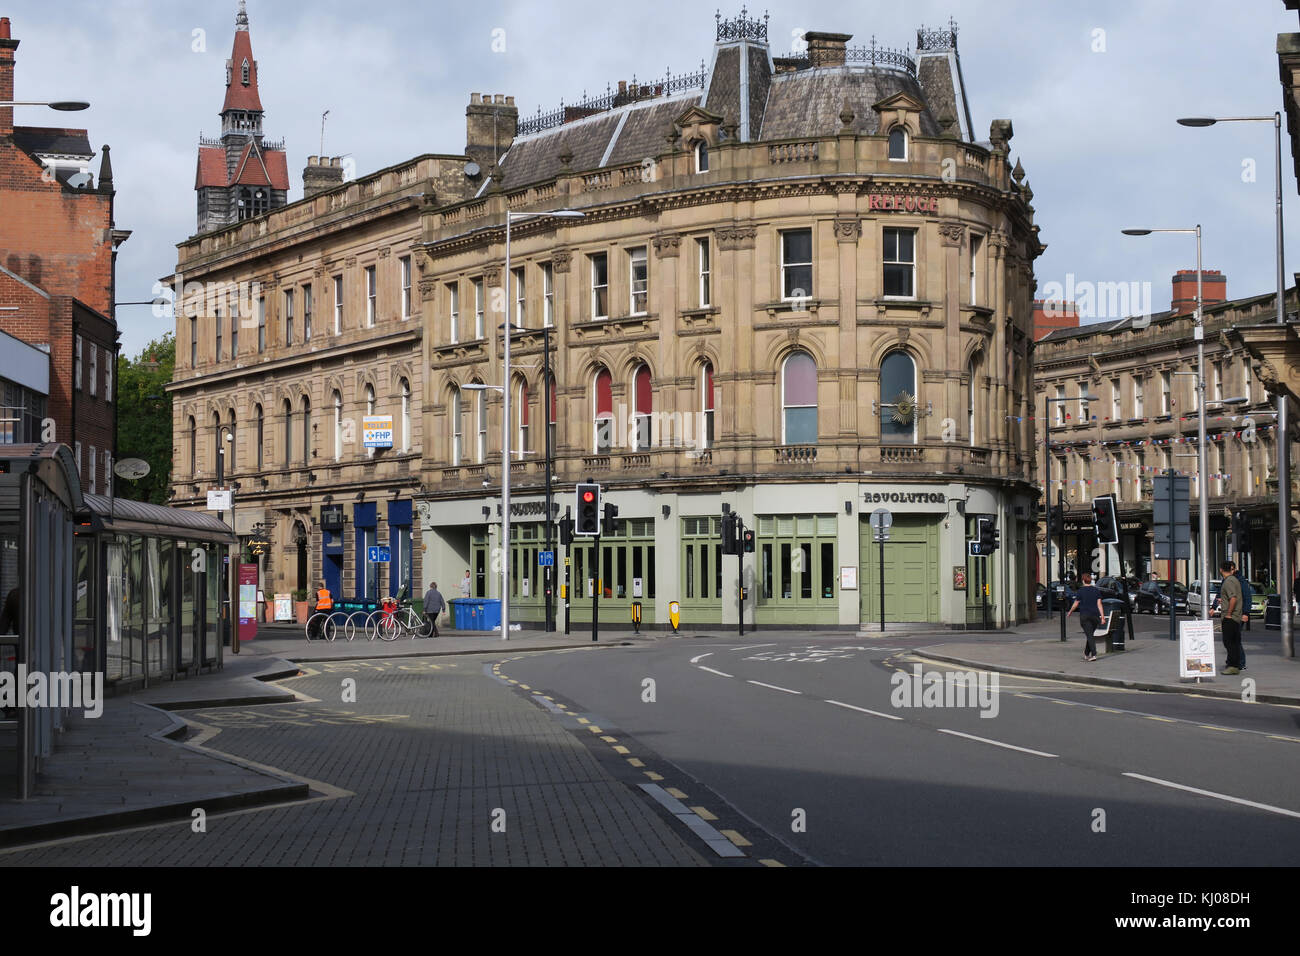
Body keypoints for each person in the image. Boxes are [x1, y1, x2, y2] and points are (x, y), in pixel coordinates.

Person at [1214, 559, 1245, 675]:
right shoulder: (1234, 580)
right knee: (1234, 641)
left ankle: (1233, 666)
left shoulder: (1229, 581)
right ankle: (1234, 664)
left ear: (1221, 569)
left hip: (1231, 617)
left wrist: (1228, 614)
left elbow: (1233, 598)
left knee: (1229, 642)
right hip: (1235, 616)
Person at [1067, 570, 1105, 662]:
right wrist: (1102, 617)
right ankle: (1086, 653)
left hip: (1085, 616)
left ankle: (1094, 654)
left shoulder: (1080, 591)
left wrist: (1070, 612)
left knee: (1090, 635)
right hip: (1095, 616)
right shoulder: (1096, 590)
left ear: (1083, 581)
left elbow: (1076, 603)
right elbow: (1099, 604)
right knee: (1090, 634)